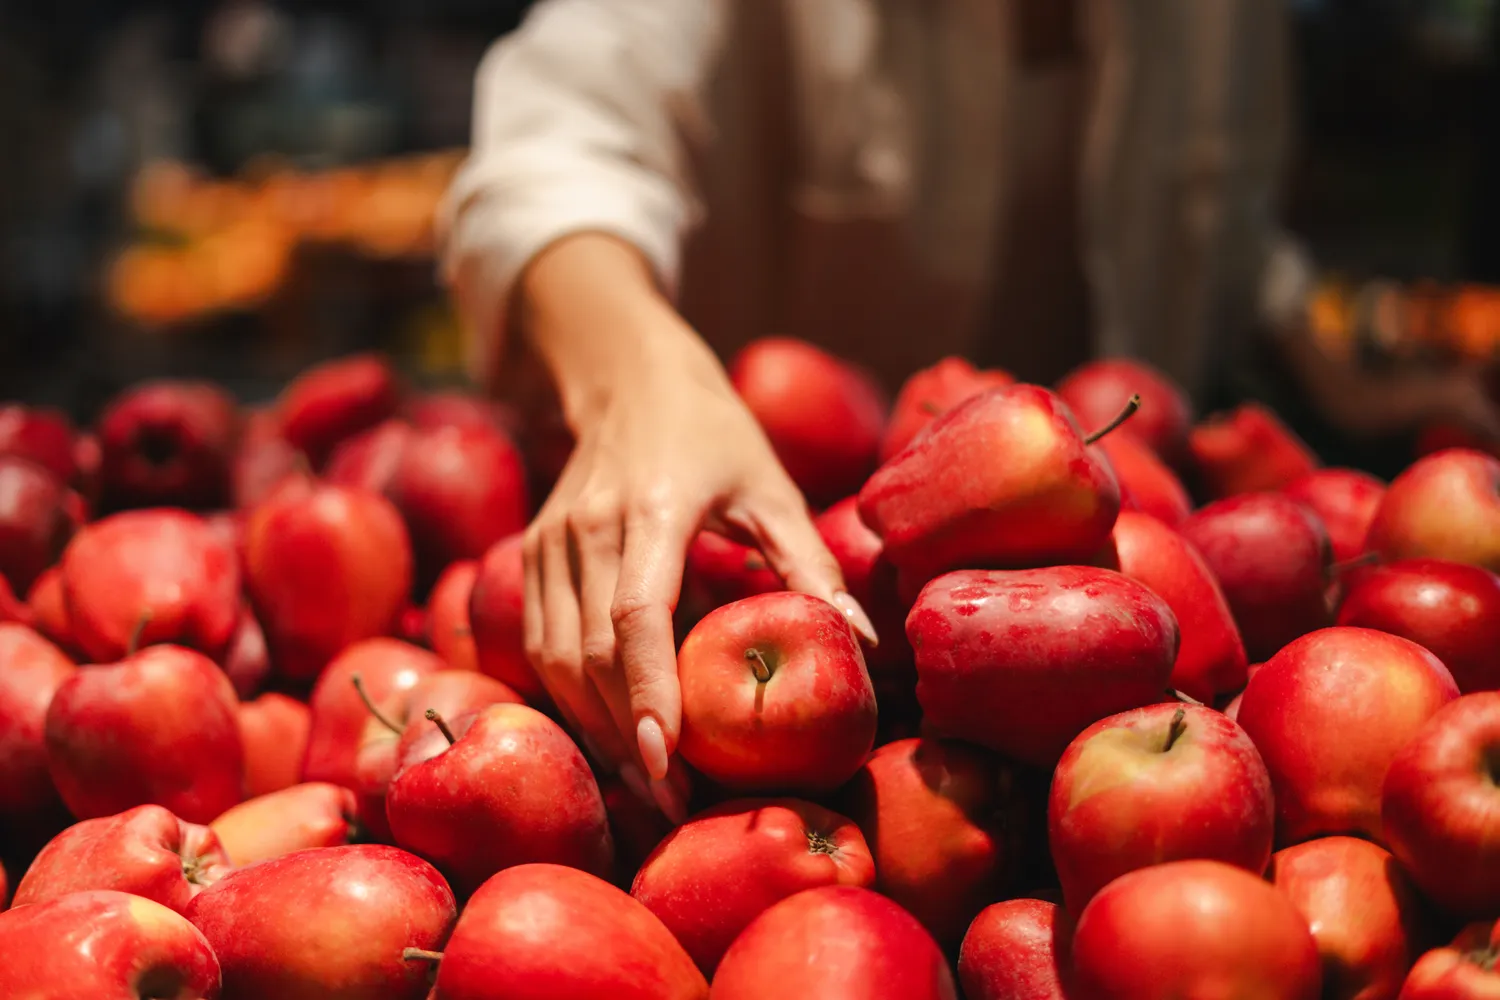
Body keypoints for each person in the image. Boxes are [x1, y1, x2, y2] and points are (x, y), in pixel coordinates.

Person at [439, 0, 1500, 817]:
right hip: (765, 541)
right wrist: (640, 379)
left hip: (1102, 605)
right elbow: (551, 154)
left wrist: (1319, 357)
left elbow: (1226, 224)